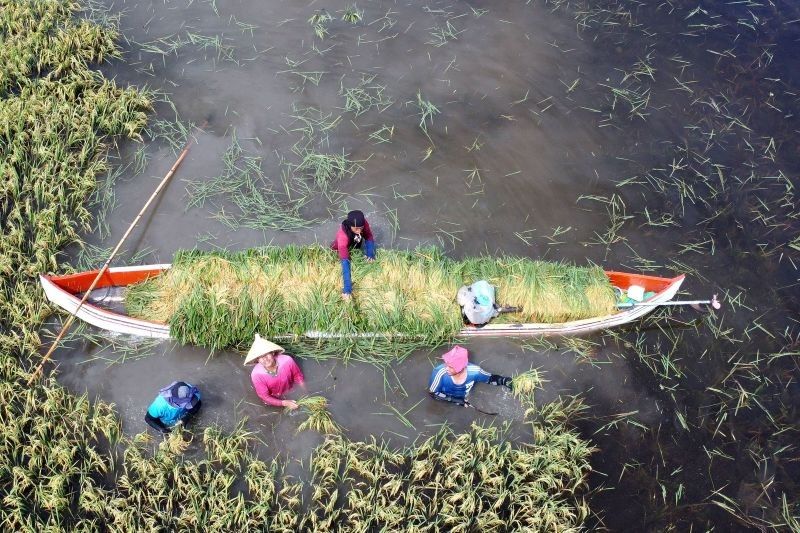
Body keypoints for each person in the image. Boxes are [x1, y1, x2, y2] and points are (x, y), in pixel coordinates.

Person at [428, 345, 512, 407]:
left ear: (460, 367)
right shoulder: (439, 372)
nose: (446, 368)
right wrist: (452, 399)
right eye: (446, 364)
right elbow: (433, 393)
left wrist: (504, 381)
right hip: (446, 397)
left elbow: (490, 379)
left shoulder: (475, 372)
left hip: (466, 398)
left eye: (450, 366)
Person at [245, 334, 305, 410]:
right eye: (260, 357)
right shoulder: (256, 375)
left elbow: (298, 376)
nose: (265, 359)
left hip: (291, 389)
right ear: (257, 360)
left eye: (266, 354)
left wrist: (304, 392)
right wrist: (284, 403)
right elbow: (265, 397)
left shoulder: (287, 360)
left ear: (273, 353)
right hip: (273, 399)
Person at [330, 209, 376, 300]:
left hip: (354, 240)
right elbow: (345, 262)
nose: (359, 231)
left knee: (357, 245)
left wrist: (370, 254)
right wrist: (347, 288)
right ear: (350, 225)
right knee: (336, 250)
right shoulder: (342, 236)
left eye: (361, 228)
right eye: (356, 228)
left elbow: (369, 236)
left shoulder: (363, 224)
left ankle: (356, 247)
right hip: (341, 245)